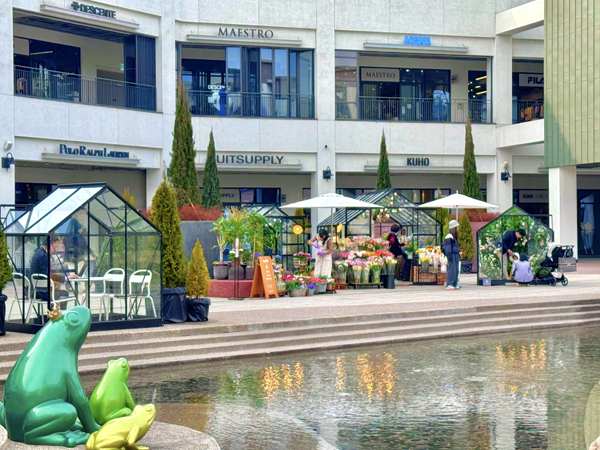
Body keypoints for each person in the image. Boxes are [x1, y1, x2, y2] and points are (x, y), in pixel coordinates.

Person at [30, 236, 77, 307]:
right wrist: (65, 278)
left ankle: (54, 312)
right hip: (40, 292)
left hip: (36, 289)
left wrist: (55, 281)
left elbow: (44, 274)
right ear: (50, 244)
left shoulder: (39, 252)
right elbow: (47, 274)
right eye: (55, 247)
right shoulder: (43, 256)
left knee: (56, 290)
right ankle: (59, 314)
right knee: (64, 293)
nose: (55, 250)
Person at [442, 220, 460, 290]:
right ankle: (450, 284)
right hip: (452, 255)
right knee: (452, 269)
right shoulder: (449, 236)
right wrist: (449, 256)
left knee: (455, 270)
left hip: (455, 254)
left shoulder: (453, 236)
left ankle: (454, 283)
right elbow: (448, 247)